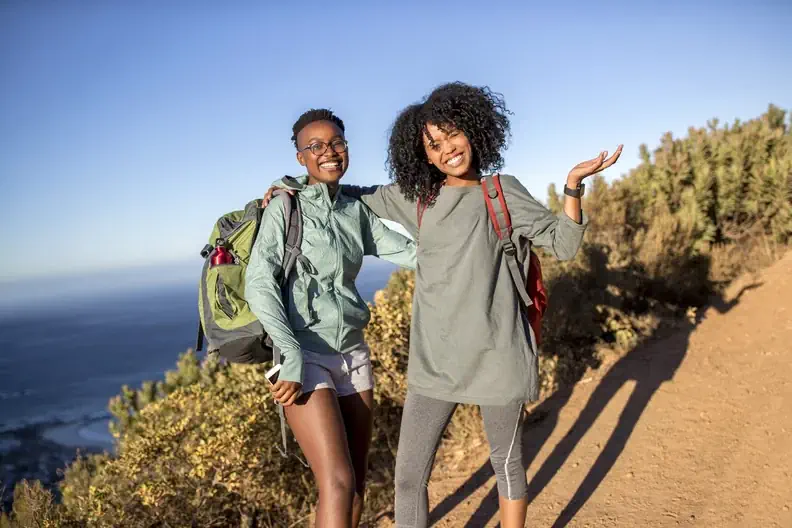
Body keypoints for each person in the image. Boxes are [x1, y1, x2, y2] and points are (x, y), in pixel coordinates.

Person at [264, 83, 621, 528]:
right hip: (434, 365)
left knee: (506, 467)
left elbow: (565, 244)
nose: (446, 149)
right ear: (424, 156)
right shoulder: (419, 198)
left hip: (499, 358)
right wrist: (288, 187)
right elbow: (342, 190)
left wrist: (573, 185)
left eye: (451, 135)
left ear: (472, 132)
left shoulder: (501, 193)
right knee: (409, 479)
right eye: (433, 144)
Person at [245, 108, 417, 528]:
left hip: (353, 354)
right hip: (304, 356)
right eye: (315, 146)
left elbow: (414, 254)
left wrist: (487, 247)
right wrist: (288, 353)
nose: (329, 151)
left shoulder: (355, 212)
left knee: (356, 482)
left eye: (336, 142)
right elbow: (259, 282)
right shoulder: (285, 207)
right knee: (336, 481)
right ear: (301, 157)